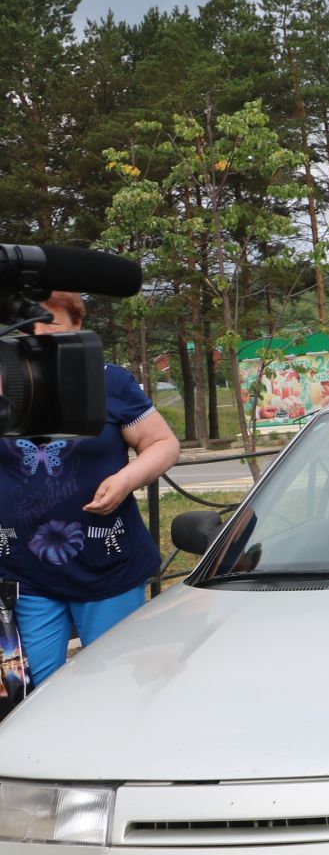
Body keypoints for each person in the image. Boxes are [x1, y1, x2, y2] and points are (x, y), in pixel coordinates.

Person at [0, 291, 179, 684]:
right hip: (25, 571)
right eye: (25, 325)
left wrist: (126, 479)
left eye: (49, 322)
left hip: (106, 564)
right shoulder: (2, 382)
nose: (36, 333)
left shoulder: (108, 381)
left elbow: (163, 444)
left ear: (78, 326)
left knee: (110, 681)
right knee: (37, 688)